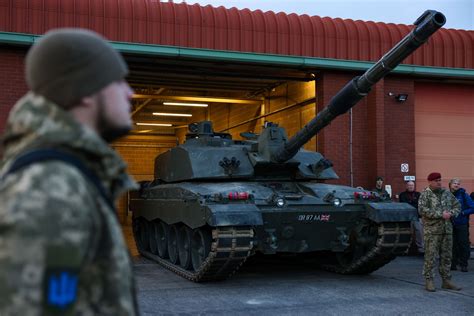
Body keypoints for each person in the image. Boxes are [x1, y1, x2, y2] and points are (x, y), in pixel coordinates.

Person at [0, 29, 139, 314]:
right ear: (86, 90)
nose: (130, 93)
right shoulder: (50, 187)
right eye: (118, 81)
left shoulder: (68, 174)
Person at [418, 172, 461, 292]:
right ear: (430, 181)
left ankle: (446, 280)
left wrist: (451, 213)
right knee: (430, 256)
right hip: (432, 231)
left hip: (447, 230)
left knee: (447, 256)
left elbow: (457, 205)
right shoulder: (425, 194)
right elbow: (422, 210)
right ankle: (429, 280)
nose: (439, 182)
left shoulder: (446, 193)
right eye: (436, 180)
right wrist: (440, 215)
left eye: (440, 180)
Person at [448, 178, 474, 272]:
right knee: (452, 245)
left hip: (462, 224)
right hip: (450, 224)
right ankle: (453, 264)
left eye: (458, 183)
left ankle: (464, 264)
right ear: (450, 184)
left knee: (463, 244)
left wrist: (463, 213)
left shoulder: (463, 195)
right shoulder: (446, 195)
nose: (456, 185)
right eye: (454, 183)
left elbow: (472, 207)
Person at [399, 181, 423, 254]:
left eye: (412, 185)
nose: (410, 186)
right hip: (407, 217)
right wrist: (414, 204)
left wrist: (410, 204)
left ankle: (421, 248)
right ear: (406, 186)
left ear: (414, 186)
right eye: (409, 185)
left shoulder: (418, 194)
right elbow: (404, 204)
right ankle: (405, 249)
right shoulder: (402, 195)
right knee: (407, 233)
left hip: (417, 217)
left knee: (419, 232)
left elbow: (420, 205)